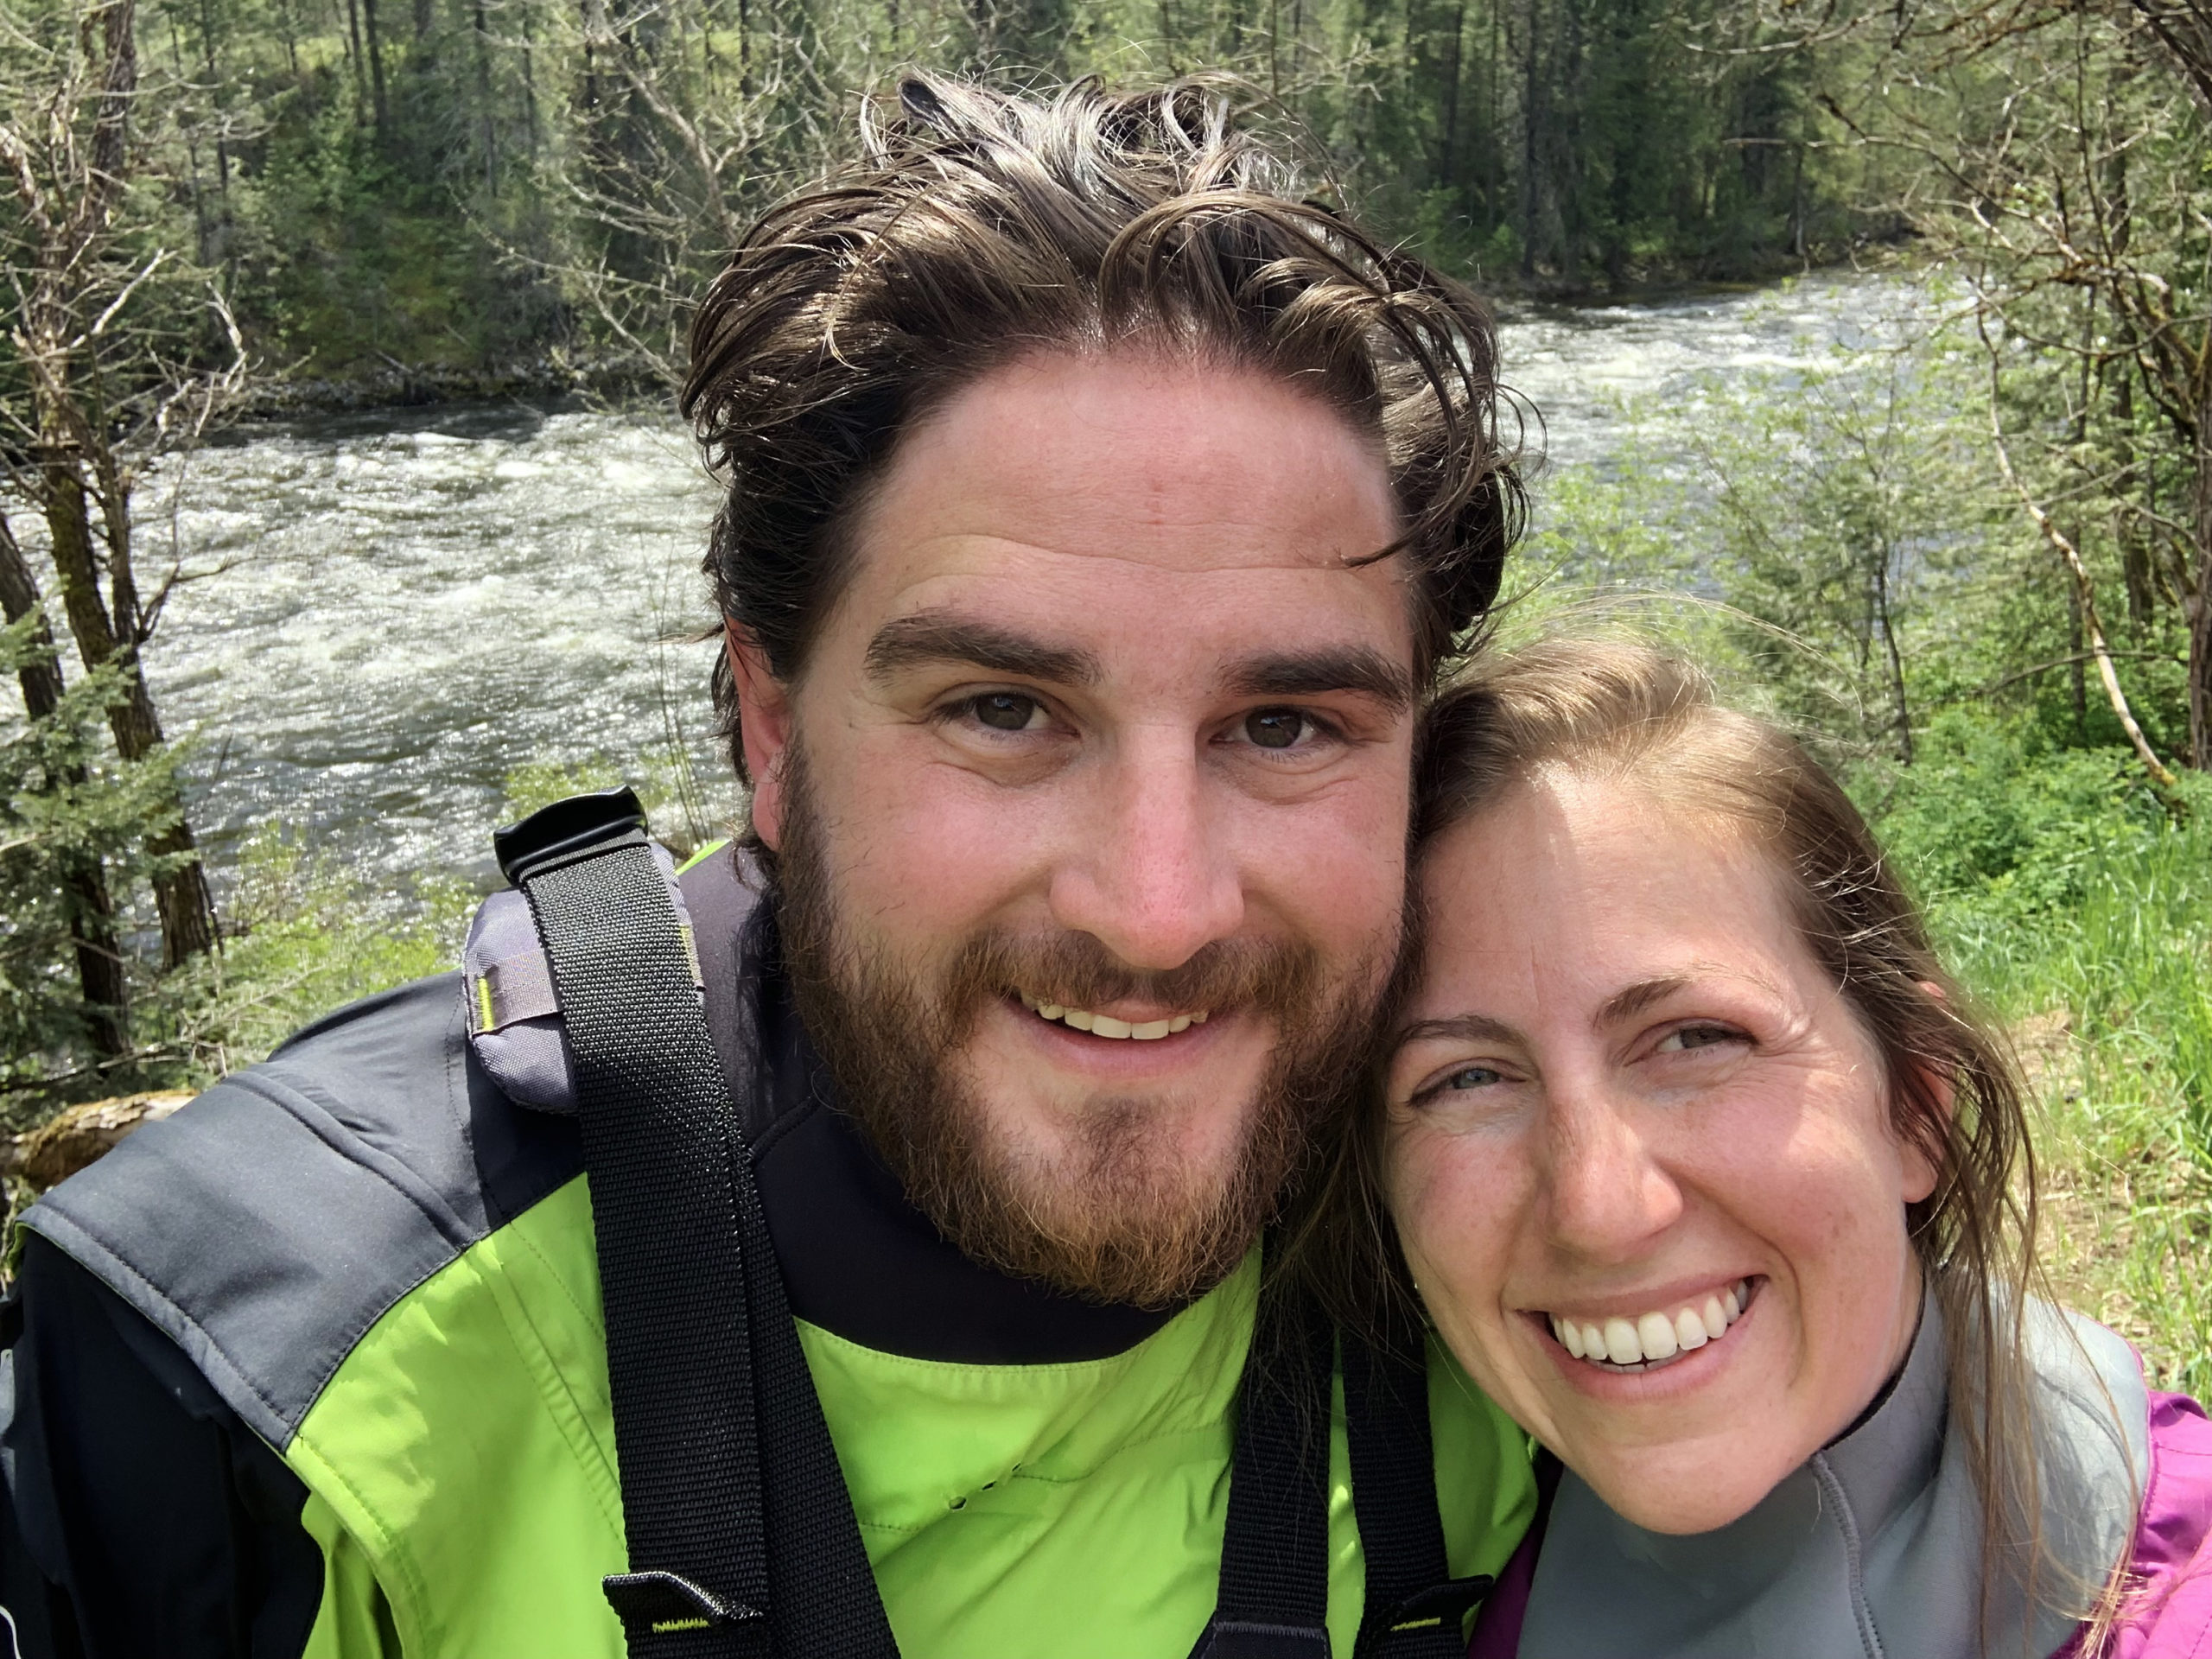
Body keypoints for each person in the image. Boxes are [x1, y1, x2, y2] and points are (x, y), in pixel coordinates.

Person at [0, 74, 1541, 1658]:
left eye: (1285, 726)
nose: (1157, 908)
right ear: (775, 733)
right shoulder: (263, 1390)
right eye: (1004, 710)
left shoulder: (1535, 1272)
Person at [1332, 637, 2212, 1657]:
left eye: (1696, 1039)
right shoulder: (1424, 1582)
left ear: (1915, 1106)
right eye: (1464, 1079)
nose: (1597, 1212)